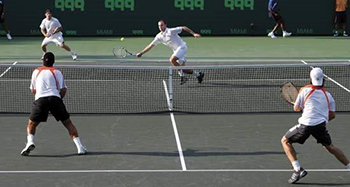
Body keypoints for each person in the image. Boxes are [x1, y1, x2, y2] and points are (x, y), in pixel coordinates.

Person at [281, 67, 350, 184]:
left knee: (285, 141)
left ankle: (297, 170)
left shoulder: (304, 90)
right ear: (323, 79)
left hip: (305, 125)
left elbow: (296, 108)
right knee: (330, 147)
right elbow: (332, 115)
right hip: (320, 126)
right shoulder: (328, 95)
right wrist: (320, 118)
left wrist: (308, 112)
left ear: (310, 79)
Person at [21, 52, 87, 156]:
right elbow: (63, 89)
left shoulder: (36, 71)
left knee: (31, 124)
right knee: (68, 123)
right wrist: (58, 99)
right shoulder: (57, 72)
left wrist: (38, 98)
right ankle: (80, 147)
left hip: (40, 100)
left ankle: (30, 142)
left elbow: (33, 90)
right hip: (55, 99)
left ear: (43, 61)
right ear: (53, 61)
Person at [136, 20, 204, 85]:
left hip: (182, 47)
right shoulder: (159, 36)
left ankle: (183, 77)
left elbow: (183, 27)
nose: (160, 27)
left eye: (162, 25)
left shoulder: (170, 31)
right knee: (183, 69)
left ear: (165, 25)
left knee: (172, 59)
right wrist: (141, 53)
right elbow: (150, 45)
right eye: (159, 26)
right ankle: (198, 74)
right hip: (176, 51)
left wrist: (193, 33)